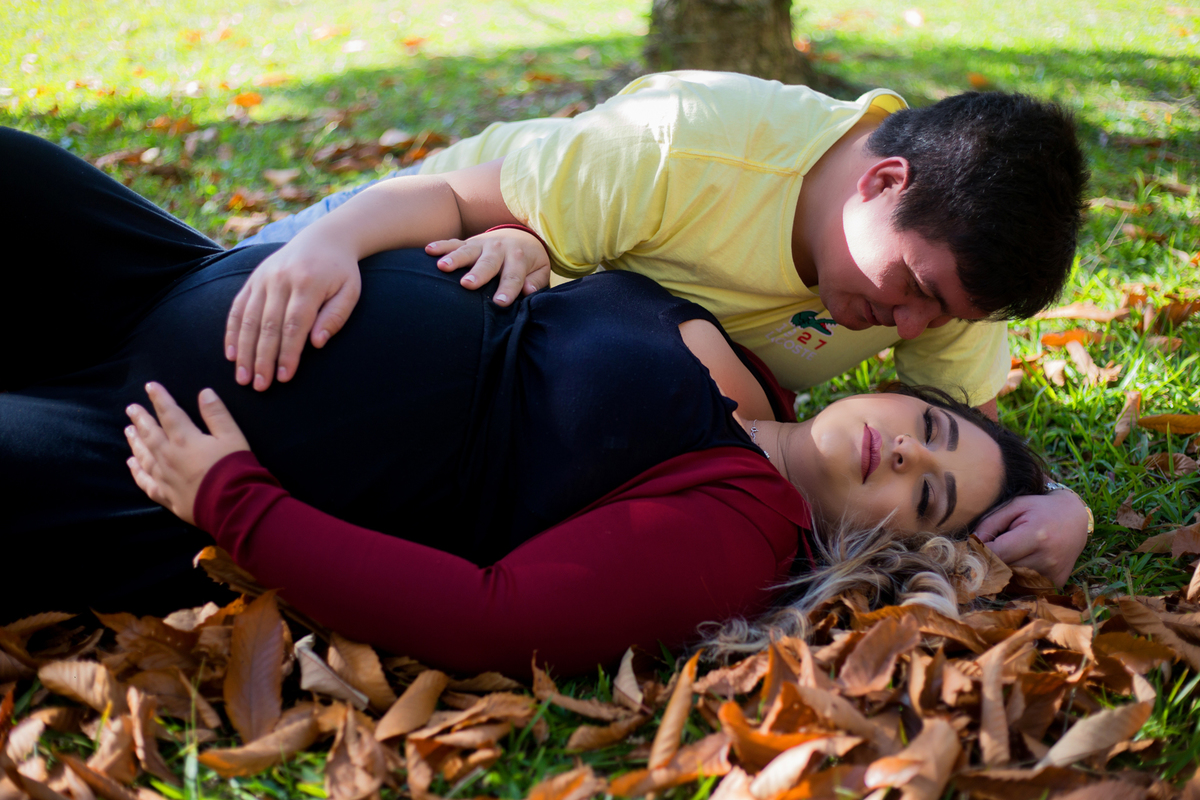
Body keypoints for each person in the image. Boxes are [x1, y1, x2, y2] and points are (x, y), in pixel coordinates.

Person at [2, 127, 1047, 677]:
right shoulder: (746, 353)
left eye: (928, 499)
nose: (909, 456)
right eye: (937, 433)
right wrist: (530, 247)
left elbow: (487, 617)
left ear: (896, 549)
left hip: (156, 455)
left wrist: (232, 499)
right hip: (177, 280)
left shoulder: (738, 530)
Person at [229, 71, 1091, 585]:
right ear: (882, 181)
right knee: (214, 317)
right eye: (910, 286)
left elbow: (973, 451)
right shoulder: (685, 142)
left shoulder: (949, 277)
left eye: (940, 314)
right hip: (414, 247)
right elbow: (451, 203)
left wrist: (1057, 501)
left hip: (504, 409)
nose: (912, 326)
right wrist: (327, 243)